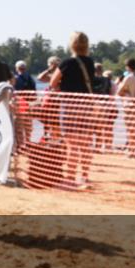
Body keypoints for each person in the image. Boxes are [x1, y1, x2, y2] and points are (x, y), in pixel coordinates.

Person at [47, 31, 97, 188]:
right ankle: (85, 177)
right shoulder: (90, 62)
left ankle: (69, 178)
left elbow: (52, 83)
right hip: (87, 106)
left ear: (72, 44)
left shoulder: (67, 62)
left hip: (71, 106)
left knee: (72, 145)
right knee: (85, 144)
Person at [117, 57, 135, 157]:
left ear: (127, 67)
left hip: (129, 105)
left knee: (130, 129)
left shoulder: (128, 77)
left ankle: (132, 150)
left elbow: (119, 92)